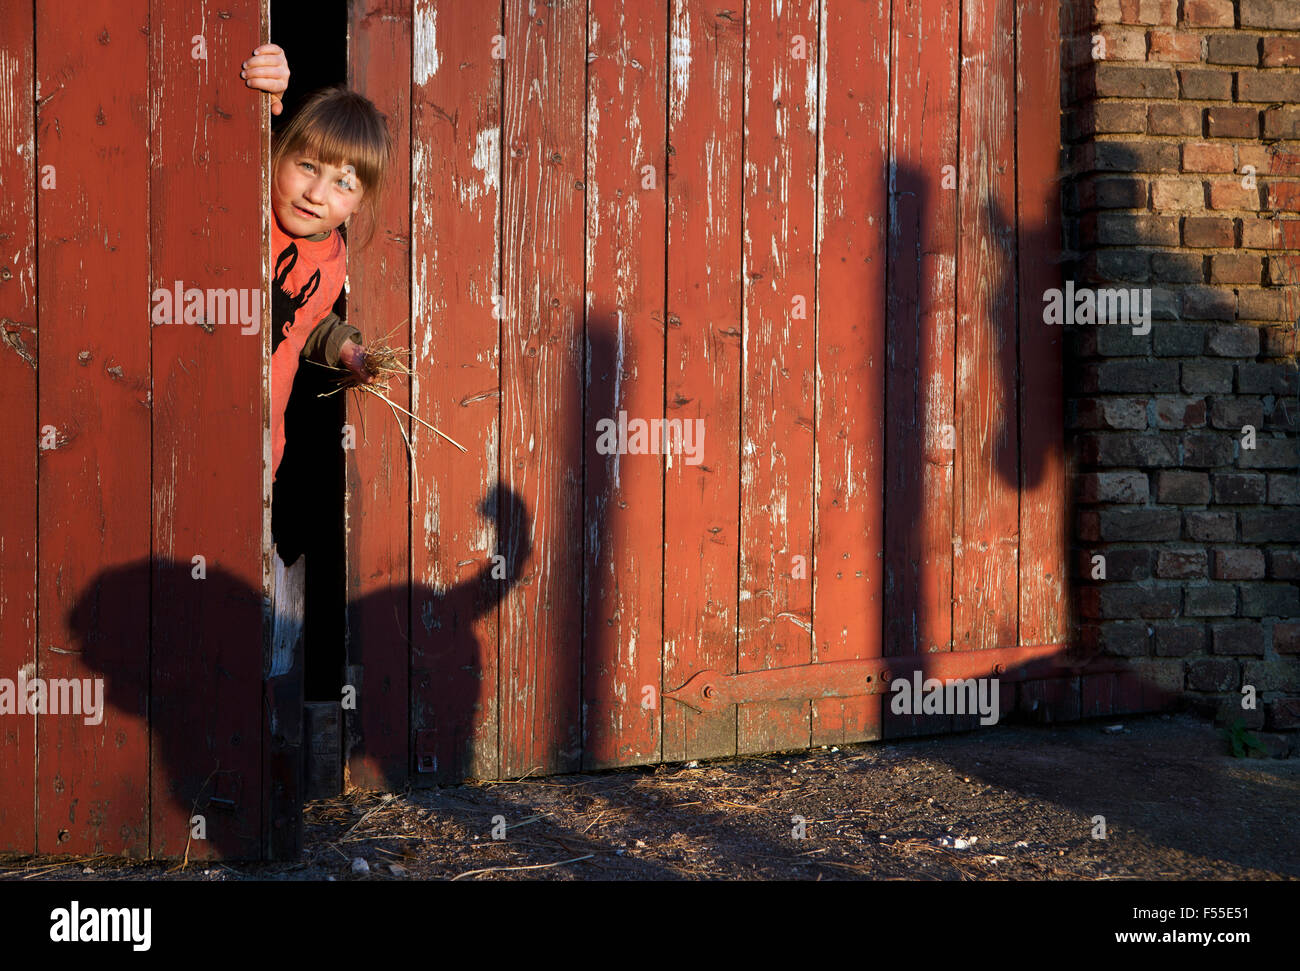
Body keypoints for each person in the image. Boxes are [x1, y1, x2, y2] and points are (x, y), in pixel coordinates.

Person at [241, 46, 392, 481]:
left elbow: (308, 319)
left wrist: (344, 346)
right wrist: (264, 91)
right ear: (275, 150)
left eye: (343, 183)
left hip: (261, 444)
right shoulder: (247, 206)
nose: (316, 193)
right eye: (307, 165)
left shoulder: (333, 258)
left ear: (361, 203)